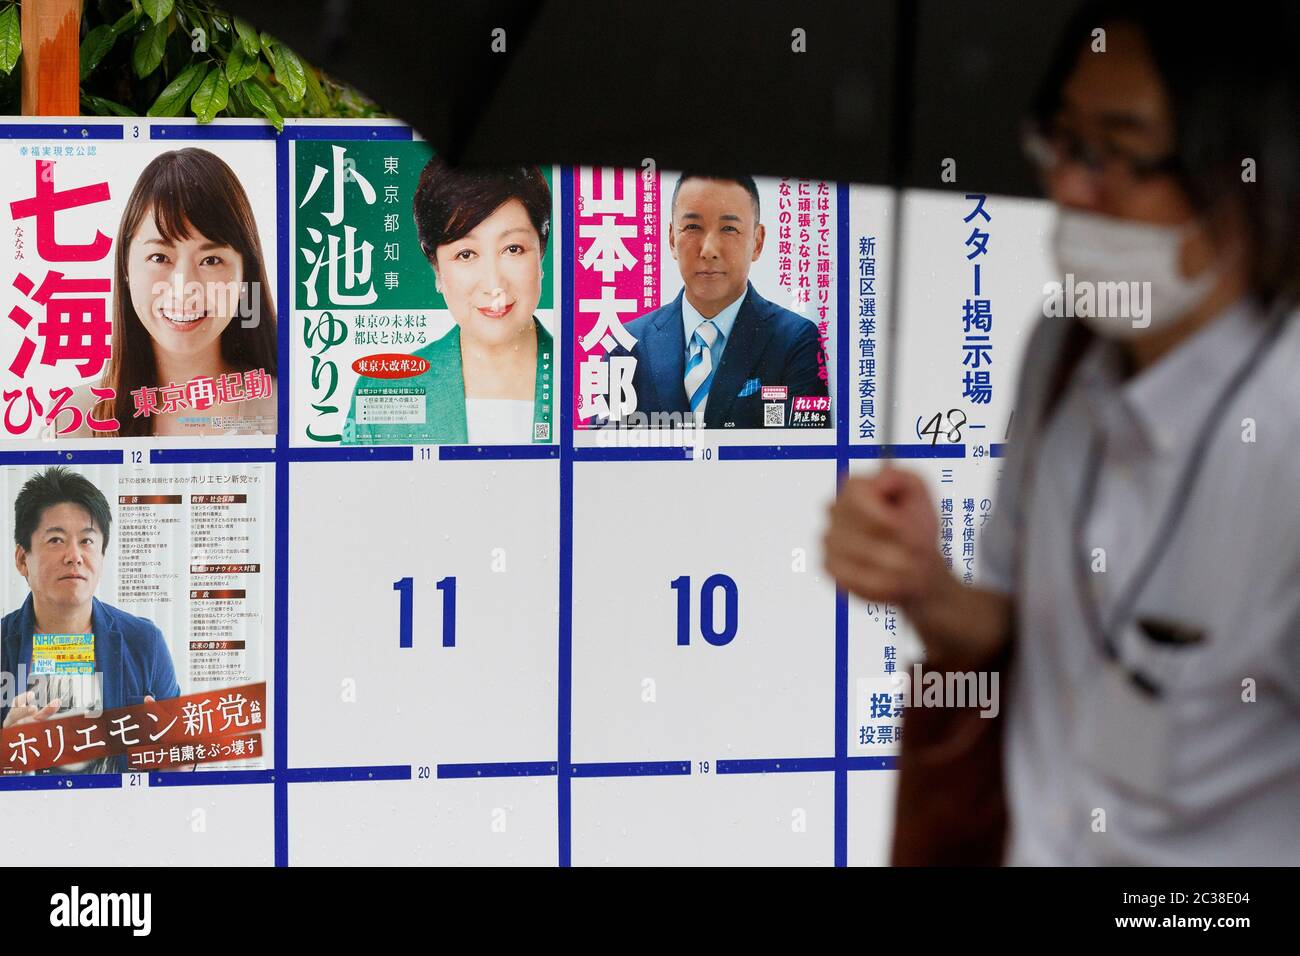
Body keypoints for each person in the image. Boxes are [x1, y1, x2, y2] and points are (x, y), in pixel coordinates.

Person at [824, 0, 1300, 865]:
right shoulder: (1062, 350)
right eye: (1060, 140)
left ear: (1249, 166)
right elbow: (1006, 635)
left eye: (1116, 150)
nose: (1071, 186)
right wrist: (922, 583)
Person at [49, 147, 278, 438]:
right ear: (126, 268)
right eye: (159, 257)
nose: (184, 288)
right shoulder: (75, 418)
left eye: (211, 260)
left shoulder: (283, 410)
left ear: (245, 273)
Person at [343, 158, 554, 445]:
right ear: (437, 268)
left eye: (513, 249)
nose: (493, 284)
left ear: (541, 251)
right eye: (466, 254)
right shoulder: (385, 391)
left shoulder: (590, 375)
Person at [609, 173, 828, 429]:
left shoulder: (796, 341)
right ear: (671, 238)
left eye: (729, 229)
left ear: (757, 242)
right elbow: (601, 461)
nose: (709, 250)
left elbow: (809, 459)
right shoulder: (627, 346)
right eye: (692, 227)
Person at [1, 467, 180, 774]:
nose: (74, 556)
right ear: (22, 559)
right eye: (56, 540)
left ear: (102, 556)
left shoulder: (144, 642)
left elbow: (182, 763)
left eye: (86, 541)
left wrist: (173, 760)